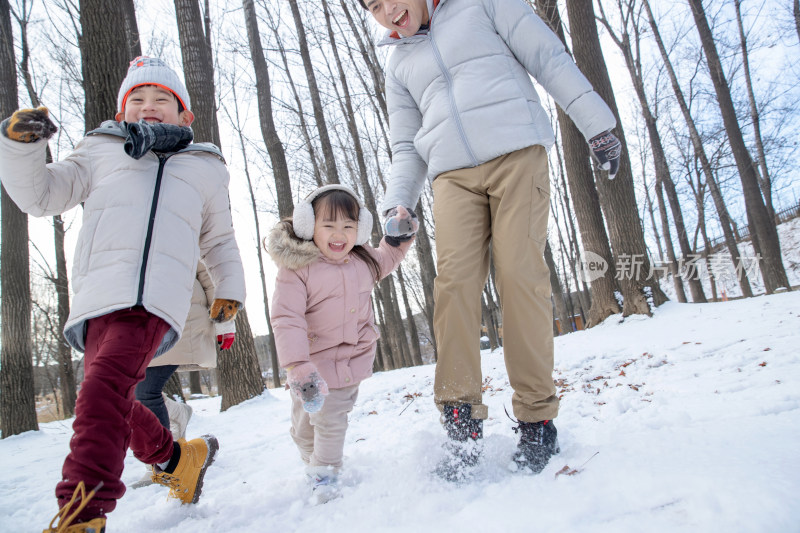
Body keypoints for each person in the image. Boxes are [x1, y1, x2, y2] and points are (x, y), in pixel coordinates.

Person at [359, 0, 622, 479]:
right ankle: (461, 419)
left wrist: (597, 124)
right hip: (451, 176)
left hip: (515, 151)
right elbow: (405, 144)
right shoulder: (398, 64)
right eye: (373, 5)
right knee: (454, 285)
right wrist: (399, 204)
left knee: (520, 275)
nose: (387, 10)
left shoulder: (485, 4)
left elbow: (548, 57)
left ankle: (537, 418)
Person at [0, 56, 246, 532]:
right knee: (115, 399)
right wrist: (22, 148)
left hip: (154, 302)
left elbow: (218, 239)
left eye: (162, 100)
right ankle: (179, 460)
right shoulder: (99, 149)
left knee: (100, 394)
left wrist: (229, 290)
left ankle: (81, 514)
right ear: (121, 110)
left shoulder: (204, 167)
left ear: (185, 116)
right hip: (97, 297)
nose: (148, 106)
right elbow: (42, 197)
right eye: (137, 99)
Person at [267, 184, 416, 503]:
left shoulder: (364, 262)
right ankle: (314, 460)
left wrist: (399, 234)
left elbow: (389, 256)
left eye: (348, 226)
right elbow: (286, 317)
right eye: (329, 225)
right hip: (308, 367)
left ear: (359, 229)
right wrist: (297, 365)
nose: (340, 234)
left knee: (331, 420)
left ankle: (325, 473)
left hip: (350, 360)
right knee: (303, 428)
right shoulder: (297, 269)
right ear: (309, 226)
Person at [131, 261, 237, 489]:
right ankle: (176, 416)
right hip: (140, 317)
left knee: (146, 392)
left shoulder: (180, 226)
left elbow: (209, 274)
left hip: (178, 316)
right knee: (129, 391)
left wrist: (225, 323)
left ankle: (165, 464)